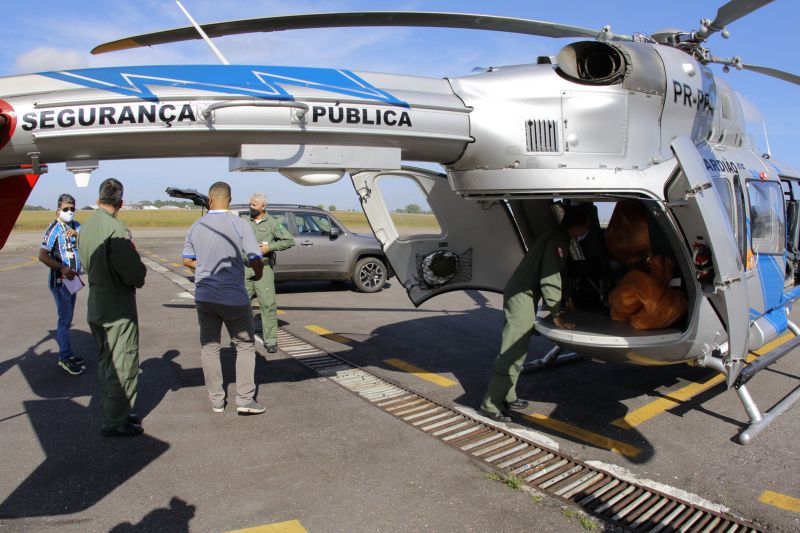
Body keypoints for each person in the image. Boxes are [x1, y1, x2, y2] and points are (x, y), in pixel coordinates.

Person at [478, 205, 592, 422]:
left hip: (525, 293)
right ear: (577, 226)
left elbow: (560, 272)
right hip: (522, 295)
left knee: (519, 349)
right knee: (512, 349)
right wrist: (556, 313)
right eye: (584, 228)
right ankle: (490, 404)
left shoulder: (558, 237)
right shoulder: (558, 241)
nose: (584, 232)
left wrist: (566, 297)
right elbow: (550, 278)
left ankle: (508, 396)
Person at [182, 181, 266, 415]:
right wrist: (257, 274)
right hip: (234, 298)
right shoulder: (239, 224)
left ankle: (217, 401)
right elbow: (256, 258)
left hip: (204, 296)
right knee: (246, 346)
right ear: (229, 199)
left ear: (209, 199)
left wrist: (204, 268)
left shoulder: (196, 226)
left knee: (210, 347)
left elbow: (187, 260)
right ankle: (245, 399)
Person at [77, 178, 147, 437]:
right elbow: (132, 272)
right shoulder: (116, 229)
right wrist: (140, 273)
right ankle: (116, 420)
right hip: (116, 305)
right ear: (121, 202)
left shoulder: (88, 226)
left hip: (96, 300)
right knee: (123, 361)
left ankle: (114, 410)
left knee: (107, 360)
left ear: (98, 200)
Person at [38, 193, 85, 375]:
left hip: (73, 281)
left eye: (72, 208)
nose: (70, 211)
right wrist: (62, 268)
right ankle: (64, 358)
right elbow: (43, 256)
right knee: (64, 320)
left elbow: (88, 240)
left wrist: (79, 235)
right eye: (66, 209)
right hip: (61, 282)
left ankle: (68, 353)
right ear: (58, 210)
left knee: (68, 318)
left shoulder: (77, 226)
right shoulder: (54, 229)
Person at [244, 192, 295, 353]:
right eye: (250, 204)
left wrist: (269, 248)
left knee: (268, 305)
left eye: (253, 205)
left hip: (264, 268)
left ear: (263, 206)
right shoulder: (244, 221)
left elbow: (289, 241)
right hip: (245, 268)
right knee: (241, 304)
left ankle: (271, 340)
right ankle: (243, 338)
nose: (250, 207)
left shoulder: (273, 223)